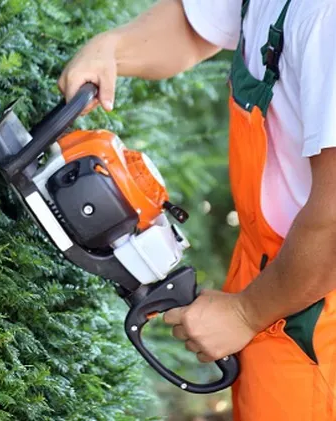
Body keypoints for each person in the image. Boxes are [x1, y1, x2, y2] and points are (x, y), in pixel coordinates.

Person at [58, 0, 336, 420]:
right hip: (272, 270)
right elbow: (193, 26)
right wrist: (112, 49)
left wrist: (248, 312)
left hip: (318, 293)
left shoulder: (325, 19)